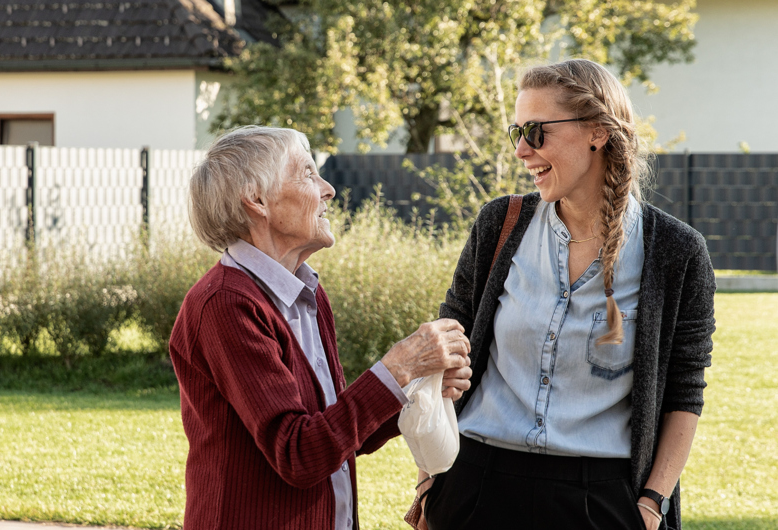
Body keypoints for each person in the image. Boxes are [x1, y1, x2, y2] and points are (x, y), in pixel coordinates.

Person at [412, 59, 715, 530]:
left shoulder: (676, 252)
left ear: (596, 131)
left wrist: (652, 503)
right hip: (475, 485)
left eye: (536, 131)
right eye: (516, 133)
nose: (521, 151)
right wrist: (430, 480)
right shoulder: (500, 225)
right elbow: (447, 353)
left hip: (600, 501)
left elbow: (684, 389)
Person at [169, 125, 473, 529]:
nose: (328, 189)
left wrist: (415, 387)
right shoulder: (226, 303)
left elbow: (334, 433)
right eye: (308, 174)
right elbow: (298, 453)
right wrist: (398, 369)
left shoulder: (306, 292)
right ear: (257, 200)